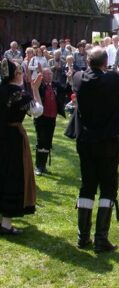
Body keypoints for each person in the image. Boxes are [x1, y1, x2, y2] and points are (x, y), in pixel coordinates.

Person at [72, 47, 119, 252]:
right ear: (105, 63)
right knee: (108, 187)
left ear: (88, 61)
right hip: (106, 142)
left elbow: (85, 74)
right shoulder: (111, 79)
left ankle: (83, 237)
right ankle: (101, 238)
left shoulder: (78, 78)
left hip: (85, 140)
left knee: (87, 186)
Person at [0, 59, 43, 234]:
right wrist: (35, 89)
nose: (21, 75)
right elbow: (37, 111)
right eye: (19, 72)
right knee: (13, 175)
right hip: (12, 139)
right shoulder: (19, 93)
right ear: (14, 75)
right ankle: (6, 224)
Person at [34, 68, 66, 176]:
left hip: (52, 118)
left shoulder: (55, 85)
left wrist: (70, 77)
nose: (50, 76)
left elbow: (67, 89)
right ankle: (38, 166)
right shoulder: (40, 86)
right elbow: (33, 90)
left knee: (48, 142)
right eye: (47, 74)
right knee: (41, 141)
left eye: (51, 74)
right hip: (41, 118)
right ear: (43, 76)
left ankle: (43, 165)